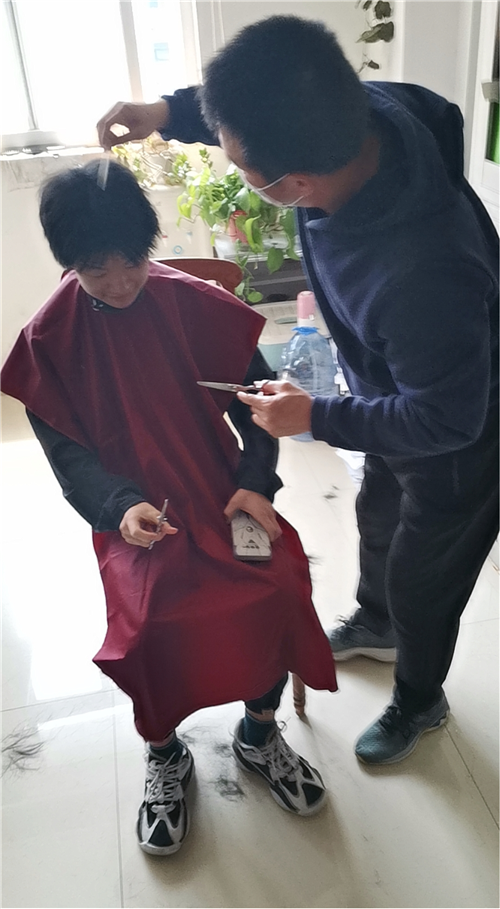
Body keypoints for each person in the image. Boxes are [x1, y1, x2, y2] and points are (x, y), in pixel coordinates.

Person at [97, 14, 499, 767]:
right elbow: (262, 108)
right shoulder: (366, 111)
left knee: (425, 577)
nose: (232, 164)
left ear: (297, 186)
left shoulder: (424, 273)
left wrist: (316, 415)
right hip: (395, 393)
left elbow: (447, 419)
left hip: (462, 437)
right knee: (378, 516)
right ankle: (377, 622)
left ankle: (421, 697)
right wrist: (167, 114)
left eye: (241, 165)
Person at [1, 159, 338, 856]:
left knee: (276, 585)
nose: (121, 284)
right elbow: (69, 459)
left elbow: (257, 410)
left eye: (132, 263)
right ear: (69, 264)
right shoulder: (47, 340)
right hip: (134, 513)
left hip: (220, 486)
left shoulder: (193, 303)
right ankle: (165, 752)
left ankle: (259, 733)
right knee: (149, 622)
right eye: (97, 272)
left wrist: (257, 480)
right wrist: (119, 506)